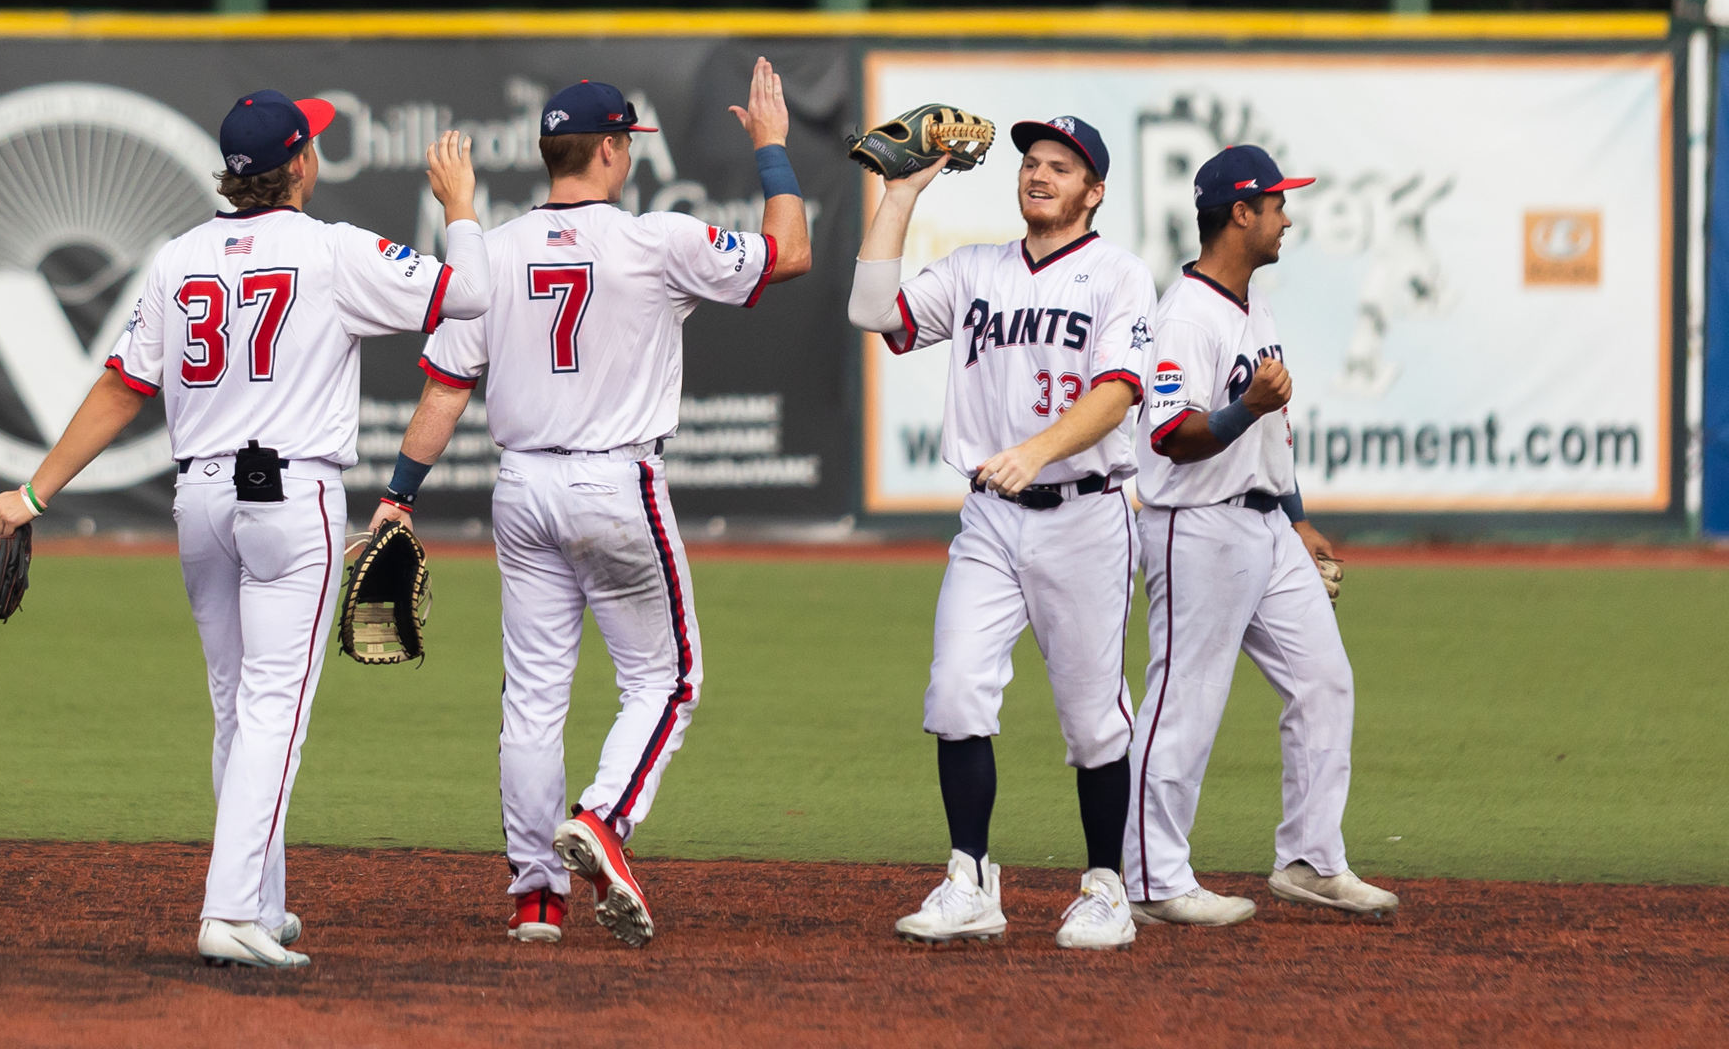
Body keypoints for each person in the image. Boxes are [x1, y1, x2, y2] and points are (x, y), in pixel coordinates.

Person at [0, 90, 492, 968]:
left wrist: (34, 492)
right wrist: (460, 207)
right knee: (274, 713)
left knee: (236, 711)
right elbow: (469, 293)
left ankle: (258, 902)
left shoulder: (177, 259)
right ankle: (225, 913)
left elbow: (120, 388)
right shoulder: (331, 251)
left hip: (202, 504)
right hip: (292, 504)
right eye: (312, 145)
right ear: (297, 167)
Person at [368, 61, 811, 948]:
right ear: (611, 149)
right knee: (666, 679)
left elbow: (447, 392)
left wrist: (397, 498)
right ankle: (604, 818)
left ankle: (536, 898)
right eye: (626, 145)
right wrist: (772, 151)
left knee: (533, 697)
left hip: (521, 488)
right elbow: (790, 253)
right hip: (615, 482)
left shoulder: (486, 253)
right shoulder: (656, 239)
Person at [847, 116, 1154, 950]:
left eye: (1061, 166)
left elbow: (1119, 392)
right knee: (954, 694)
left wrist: (1034, 452)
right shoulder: (978, 269)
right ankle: (971, 878)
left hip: (1086, 514)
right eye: (1030, 162)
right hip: (989, 518)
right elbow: (872, 309)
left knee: (1094, 721)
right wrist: (901, 194)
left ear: (1094, 191)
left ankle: (1105, 890)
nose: (1040, 174)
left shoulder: (1119, 275)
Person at [1126, 144, 1398, 927]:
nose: (1287, 215)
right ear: (1239, 213)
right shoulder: (1186, 314)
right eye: (1275, 203)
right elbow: (1174, 434)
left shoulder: (1255, 304)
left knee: (1324, 681)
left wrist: (1297, 513)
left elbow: (1270, 429)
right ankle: (1152, 877)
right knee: (1185, 700)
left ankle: (1312, 859)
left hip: (1266, 524)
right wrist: (1243, 405)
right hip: (1197, 525)